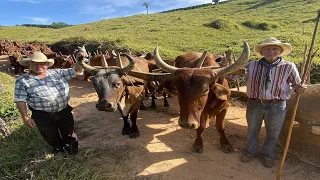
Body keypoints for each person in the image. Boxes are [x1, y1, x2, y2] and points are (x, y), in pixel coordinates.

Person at [241, 37, 307, 168]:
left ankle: (267, 155)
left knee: (273, 133)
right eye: (267, 49)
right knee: (252, 130)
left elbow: (296, 84)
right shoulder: (251, 65)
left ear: (280, 51)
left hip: (277, 105)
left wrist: (300, 88)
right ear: (262, 51)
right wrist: (227, 66)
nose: (271, 51)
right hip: (255, 104)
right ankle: (250, 152)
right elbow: (233, 75)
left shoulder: (289, 66)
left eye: (275, 49)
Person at [14, 51, 80, 154]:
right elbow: (20, 99)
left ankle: (73, 152)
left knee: (69, 133)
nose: (39, 66)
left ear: (47, 64)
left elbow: (77, 70)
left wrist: (80, 61)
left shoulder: (57, 73)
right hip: (42, 115)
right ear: (29, 64)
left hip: (63, 111)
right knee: (50, 135)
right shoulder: (22, 81)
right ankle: (58, 151)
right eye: (35, 63)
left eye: (42, 63)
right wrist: (25, 116)